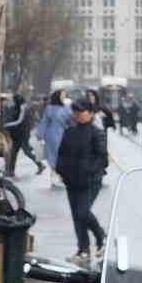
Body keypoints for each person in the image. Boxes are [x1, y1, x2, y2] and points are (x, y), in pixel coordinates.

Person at [55, 98, 108, 266]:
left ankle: (100, 235)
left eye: (81, 111)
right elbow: (61, 155)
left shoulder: (97, 133)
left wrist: (89, 171)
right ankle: (83, 250)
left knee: (83, 212)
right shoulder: (69, 131)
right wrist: (62, 171)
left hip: (90, 181)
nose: (77, 114)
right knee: (77, 217)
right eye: (75, 112)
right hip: (71, 181)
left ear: (91, 113)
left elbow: (102, 160)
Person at [38, 89, 72, 189]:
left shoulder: (66, 108)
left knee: (63, 156)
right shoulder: (50, 108)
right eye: (62, 95)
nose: (64, 97)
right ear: (58, 96)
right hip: (52, 135)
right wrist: (40, 133)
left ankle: (61, 176)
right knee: (53, 156)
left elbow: (71, 121)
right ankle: (55, 177)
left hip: (64, 134)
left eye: (65, 95)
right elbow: (44, 122)